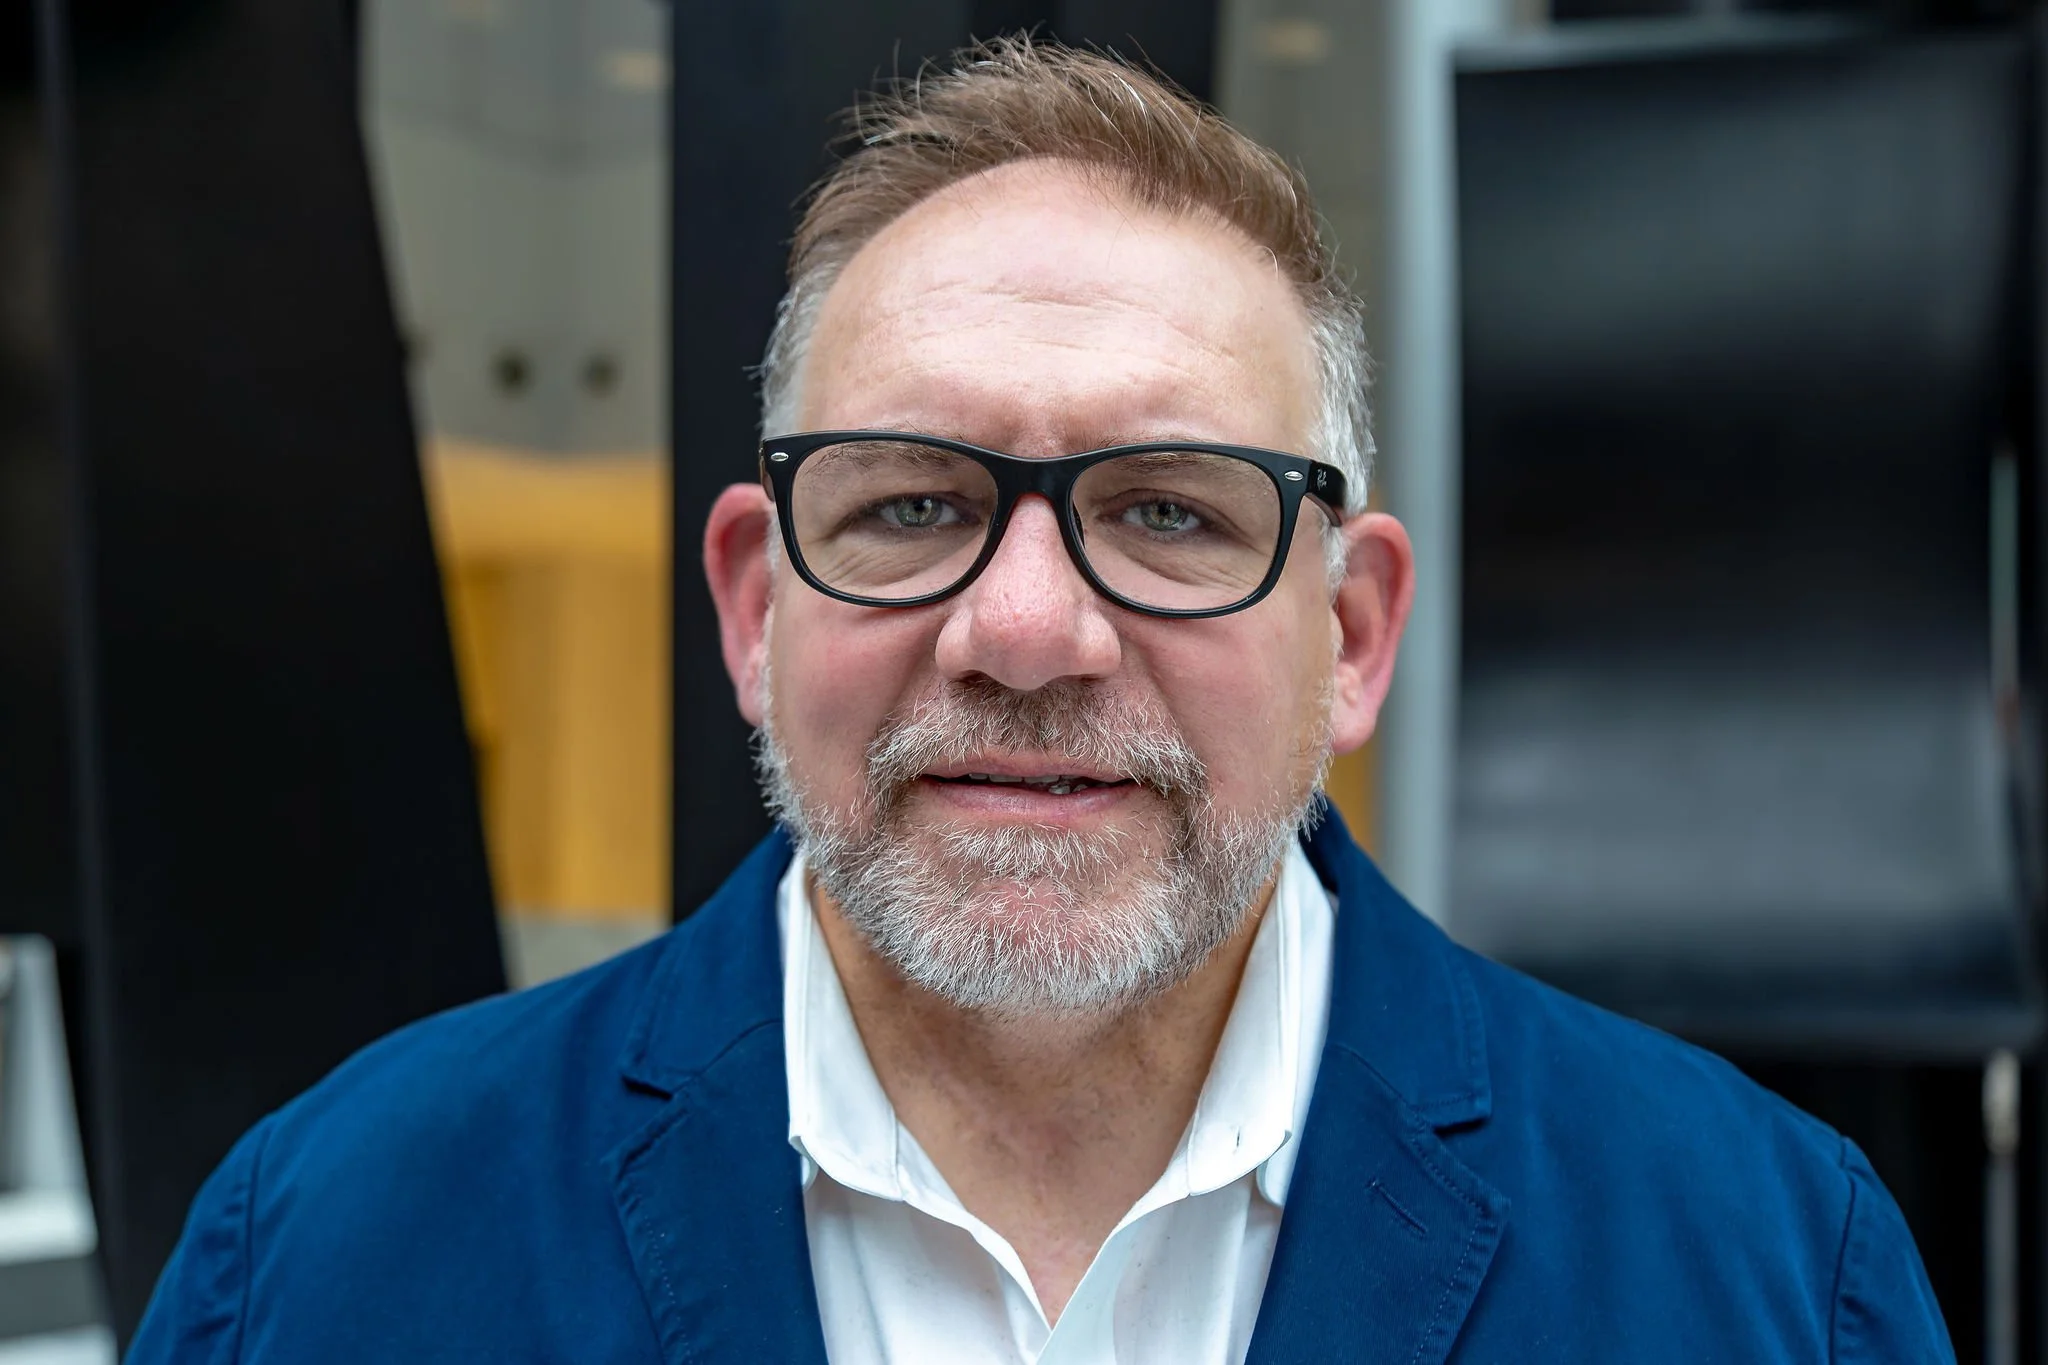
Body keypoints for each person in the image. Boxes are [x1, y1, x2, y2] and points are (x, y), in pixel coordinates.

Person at [129, 37, 1951, 1364]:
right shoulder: (329, 1250)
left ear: (1356, 635)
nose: (1022, 631)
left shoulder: (1771, 1270)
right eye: (912, 505)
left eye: (1166, 513)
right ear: (756, 609)